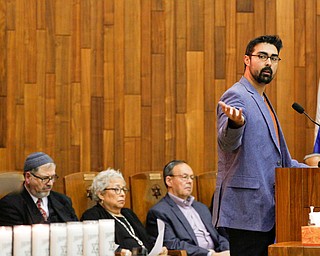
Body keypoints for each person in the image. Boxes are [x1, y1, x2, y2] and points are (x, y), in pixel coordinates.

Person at [212, 35, 308, 256]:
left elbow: (282, 162)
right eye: (262, 56)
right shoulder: (236, 95)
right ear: (247, 59)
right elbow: (227, 143)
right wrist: (236, 123)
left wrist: (312, 170)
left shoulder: (262, 99)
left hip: (267, 209)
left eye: (274, 58)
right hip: (246, 210)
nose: (269, 63)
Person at [146, 160, 230, 256]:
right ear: (169, 181)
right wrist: (209, 254)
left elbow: (218, 236)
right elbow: (171, 244)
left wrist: (227, 251)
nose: (190, 181)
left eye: (191, 177)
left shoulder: (201, 208)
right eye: (184, 177)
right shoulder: (159, 212)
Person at [81, 168, 168, 256]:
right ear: (101, 194)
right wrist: (119, 252)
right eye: (116, 189)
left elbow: (146, 241)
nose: (122, 194)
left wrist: (159, 250)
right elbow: (97, 247)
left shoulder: (128, 213)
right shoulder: (93, 216)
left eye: (123, 189)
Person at [0, 152, 78, 226]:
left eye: (52, 177)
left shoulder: (63, 201)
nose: (50, 183)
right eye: (44, 178)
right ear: (28, 177)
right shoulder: (10, 205)